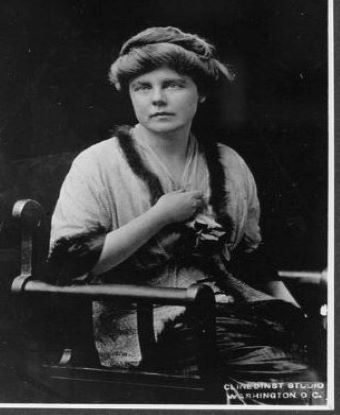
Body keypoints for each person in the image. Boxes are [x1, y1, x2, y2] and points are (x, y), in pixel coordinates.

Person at [48, 26, 319, 404]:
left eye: (173, 84)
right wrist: (160, 215)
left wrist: (294, 315)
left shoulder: (228, 162)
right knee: (301, 389)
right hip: (147, 324)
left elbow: (251, 260)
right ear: (129, 95)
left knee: (315, 360)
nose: (157, 99)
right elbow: (71, 265)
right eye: (142, 87)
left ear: (201, 92)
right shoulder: (96, 163)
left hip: (230, 314)